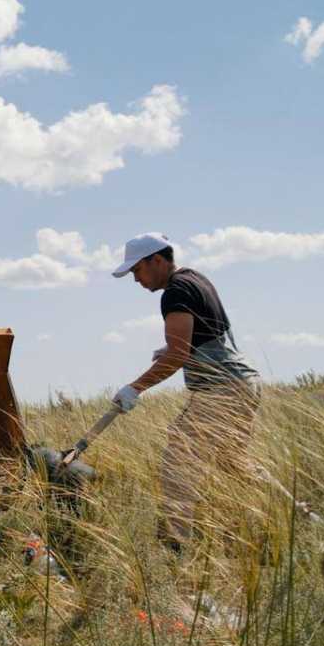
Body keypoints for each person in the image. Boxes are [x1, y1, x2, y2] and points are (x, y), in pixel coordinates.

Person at [109, 232, 260, 546]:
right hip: (242, 383)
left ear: (158, 260)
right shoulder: (194, 279)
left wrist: (134, 389)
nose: (136, 279)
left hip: (221, 389)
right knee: (234, 464)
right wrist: (171, 350)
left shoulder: (174, 292)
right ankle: (297, 512)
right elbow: (202, 335)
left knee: (177, 460)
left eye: (137, 270)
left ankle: (177, 545)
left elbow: (179, 354)